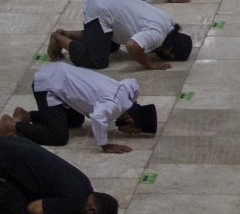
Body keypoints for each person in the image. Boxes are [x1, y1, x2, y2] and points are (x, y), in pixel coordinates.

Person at [2, 62, 156, 152]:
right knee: (58, 136)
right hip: (48, 84)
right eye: (134, 132)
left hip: (58, 73)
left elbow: (133, 82)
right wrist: (105, 145)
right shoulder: (114, 107)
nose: (129, 135)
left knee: (76, 120)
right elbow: (98, 117)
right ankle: (14, 126)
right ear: (129, 120)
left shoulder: (127, 93)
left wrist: (134, 102)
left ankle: (27, 115)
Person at [47, 0, 192, 71]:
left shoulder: (168, 22)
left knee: (110, 47)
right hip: (100, 9)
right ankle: (59, 39)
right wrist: (149, 64)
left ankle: (67, 34)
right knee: (97, 61)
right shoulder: (158, 36)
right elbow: (132, 46)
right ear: (169, 49)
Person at [0, 137, 119, 214]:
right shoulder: (75, 202)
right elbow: (34, 208)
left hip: (10, 144)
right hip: (4, 165)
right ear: (91, 210)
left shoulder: (85, 184)